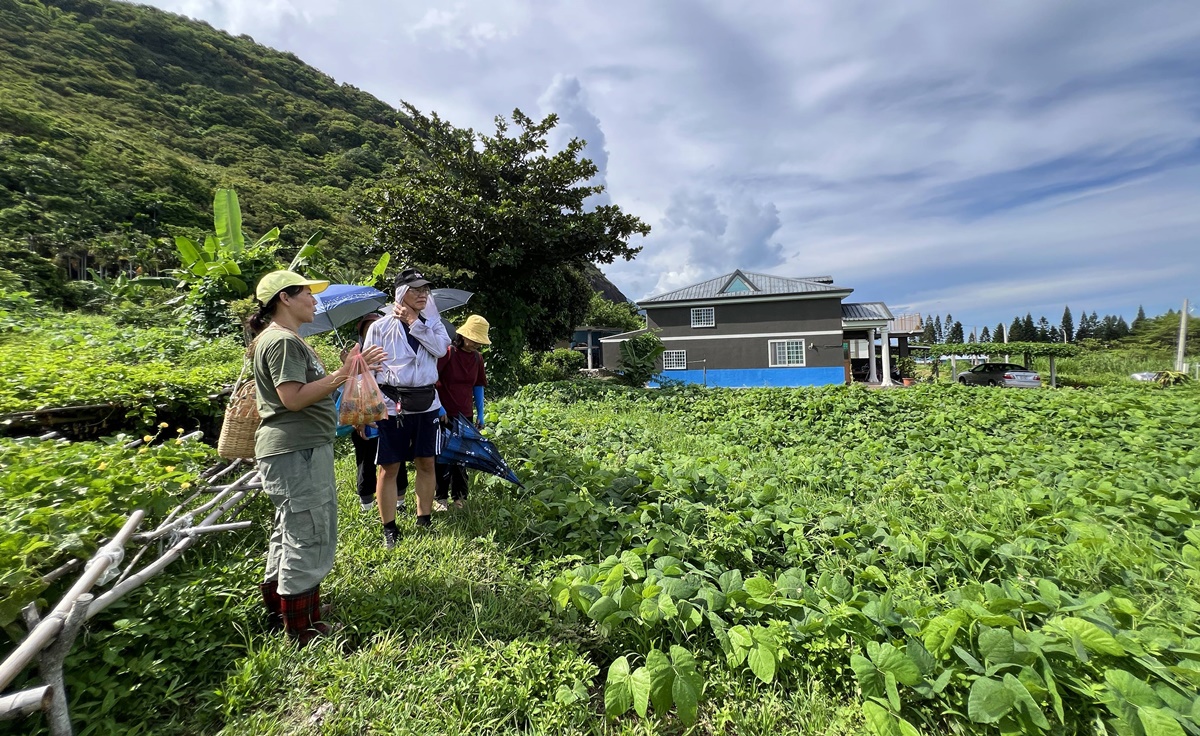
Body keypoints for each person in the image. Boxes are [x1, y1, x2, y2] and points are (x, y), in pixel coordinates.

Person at [249, 270, 385, 646]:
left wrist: (349, 370)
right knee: (308, 531)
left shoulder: (288, 339)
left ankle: (285, 608)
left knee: (291, 530)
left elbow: (307, 388)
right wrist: (345, 372)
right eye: (306, 292)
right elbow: (292, 398)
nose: (313, 299)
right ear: (285, 299)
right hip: (297, 451)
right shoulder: (281, 341)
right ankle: (302, 628)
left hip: (297, 450)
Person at [364, 268, 451, 548]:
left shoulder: (433, 323)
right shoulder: (380, 327)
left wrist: (415, 322)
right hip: (393, 404)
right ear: (401, 293)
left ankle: (424, 518)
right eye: (416, 289)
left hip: (426, 403)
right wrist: (370, 409)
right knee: (389, 466)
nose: (423, 294)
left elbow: (440, 349)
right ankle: (389, 527)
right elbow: (370, 370)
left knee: (426, 461)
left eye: (425, 290)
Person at [342, 313, 409, 514]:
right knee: (366, 460)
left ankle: (400, 502)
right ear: (363, 334)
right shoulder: (354, 358)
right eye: (369, 329)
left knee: (397, 460)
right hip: (367, 419)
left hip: (391, 416)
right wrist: (360, 419)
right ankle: (367, 506)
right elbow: (351, 391)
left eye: (378, 329)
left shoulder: (395, 354)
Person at [434, 314, 490, 511]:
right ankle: (440, 498)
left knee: (462, 458)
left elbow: (478, 386)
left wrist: (480, 413)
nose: (476, 344)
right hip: (444, 413)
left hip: (465, 414)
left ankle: (460, 498)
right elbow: (431, 380)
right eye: (474, 339)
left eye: (479, 341)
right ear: (464, 335)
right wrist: (439, 407)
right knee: (442, 456)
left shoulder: (477, 358)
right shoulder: (448, 353)